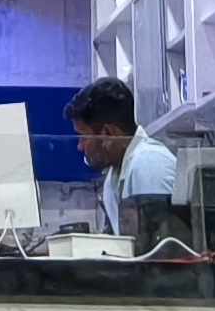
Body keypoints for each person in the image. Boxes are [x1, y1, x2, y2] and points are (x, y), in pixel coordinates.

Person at [65, 77, 178, 245]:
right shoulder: (114, 177)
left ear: (108, 133)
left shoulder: (149, 165)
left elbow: (164, 253)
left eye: (84, 136)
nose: (80, 146)